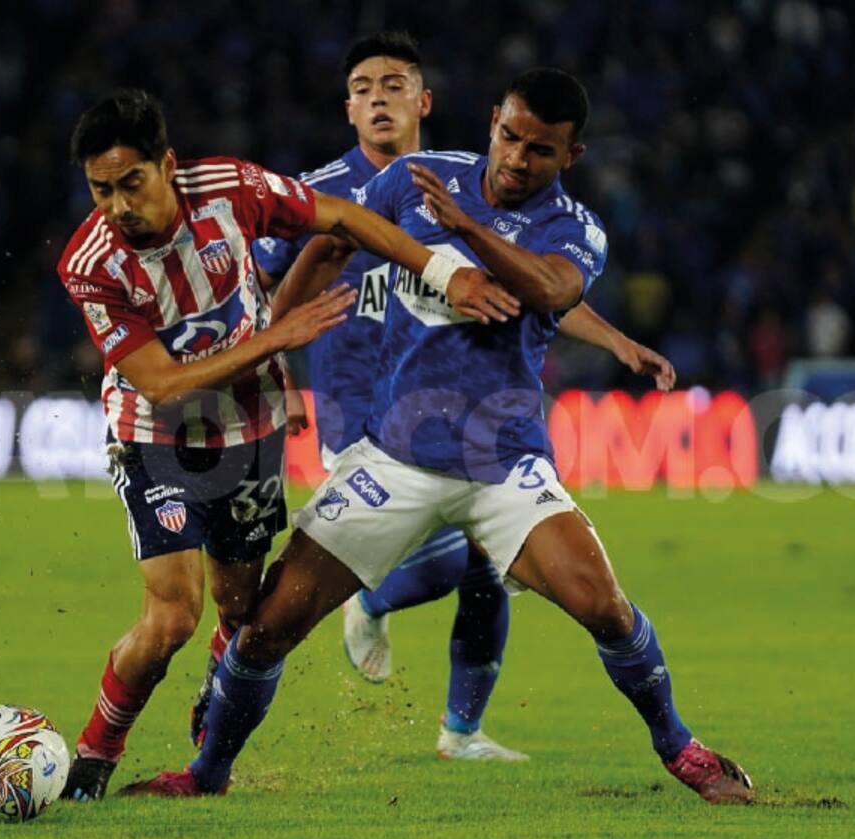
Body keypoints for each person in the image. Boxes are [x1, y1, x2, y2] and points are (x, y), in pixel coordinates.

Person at [123, 69, 754, 804]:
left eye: (540, 150)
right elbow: (333, 243)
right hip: (393, 460)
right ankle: (205, 776)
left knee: (605, 607)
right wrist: (272, 342)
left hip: (503, 464)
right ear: (493, 121)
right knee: (266, 629)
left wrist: (464, 229)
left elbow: (550, 291)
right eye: (510, 137)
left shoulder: (573, 228)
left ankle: (681, 750)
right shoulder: (417, 180)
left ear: (571, 156)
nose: (517, 158)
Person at [55, 88, 515, 801]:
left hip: (251, 429)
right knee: (173, 616)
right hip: (157, 437)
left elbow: (345, 218)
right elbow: (162, 385)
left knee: (241, 611)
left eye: (131, 183)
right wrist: (277, 338)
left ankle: (218, 691)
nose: (119, 206)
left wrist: (440, 271)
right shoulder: (90, 263)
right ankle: (95, 755)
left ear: (167, 166)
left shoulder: (230, 189)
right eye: (101, 190)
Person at [230, 32, 676, 764]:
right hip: (361, 409)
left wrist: (613, 339)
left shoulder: (442, 182)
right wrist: (265, 357)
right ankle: (355, 606)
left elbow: (533, 289)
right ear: (348, 108)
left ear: (425, 101)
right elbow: (271, 272)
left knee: (484, 571)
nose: (380, 99)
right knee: (434, 568)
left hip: (465, 418)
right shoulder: (328, 189)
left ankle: (461, 731)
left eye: (395, 85)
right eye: (364, 88)